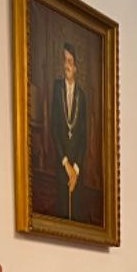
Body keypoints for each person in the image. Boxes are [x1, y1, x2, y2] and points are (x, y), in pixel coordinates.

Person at [50, 42, 88, 222]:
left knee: (77, 213)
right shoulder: (57, 88)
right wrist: (65, 164)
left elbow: (83, 136)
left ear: (76, 67)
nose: (67, 65)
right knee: (62, 211)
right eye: (65, 61)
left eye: (70, 61)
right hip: (62, 163)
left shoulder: (82, 95)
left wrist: (76, 170)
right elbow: (54, 128)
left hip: (77, 168)